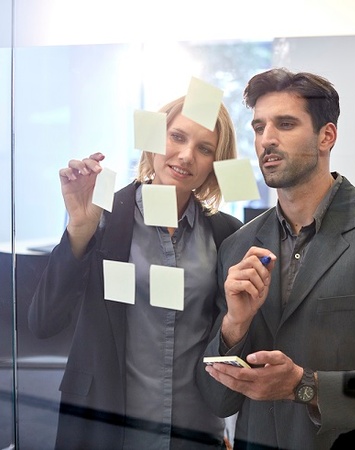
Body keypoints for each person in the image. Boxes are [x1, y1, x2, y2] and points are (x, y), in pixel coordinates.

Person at [197, 68, 355, 450]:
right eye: (259, 127)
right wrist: (234, 326)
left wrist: (306, 386)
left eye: (285, 124)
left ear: (326, 136)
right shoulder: (237, 246)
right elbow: (218, 400)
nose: (267, 140)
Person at [28, 96, 242, 450]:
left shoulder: (225, 233)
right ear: (153, 139)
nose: (187, 155)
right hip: (105, 430)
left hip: (192, 431)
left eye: (204, 148)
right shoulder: (103, 215)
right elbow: (44, 321)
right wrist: (79, 230)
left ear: (215, 164)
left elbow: (224, 342)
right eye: (176, 137)